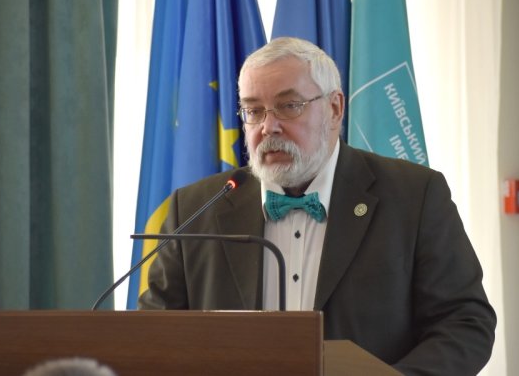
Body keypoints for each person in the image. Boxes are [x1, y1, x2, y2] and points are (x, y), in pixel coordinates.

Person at [139, 37, 496, 375]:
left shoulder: (413, 196)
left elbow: (465, 322)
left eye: (289, 106)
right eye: (253, 110)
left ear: (335, 108)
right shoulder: (196, 208)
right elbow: (154, 333)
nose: (269, 127)